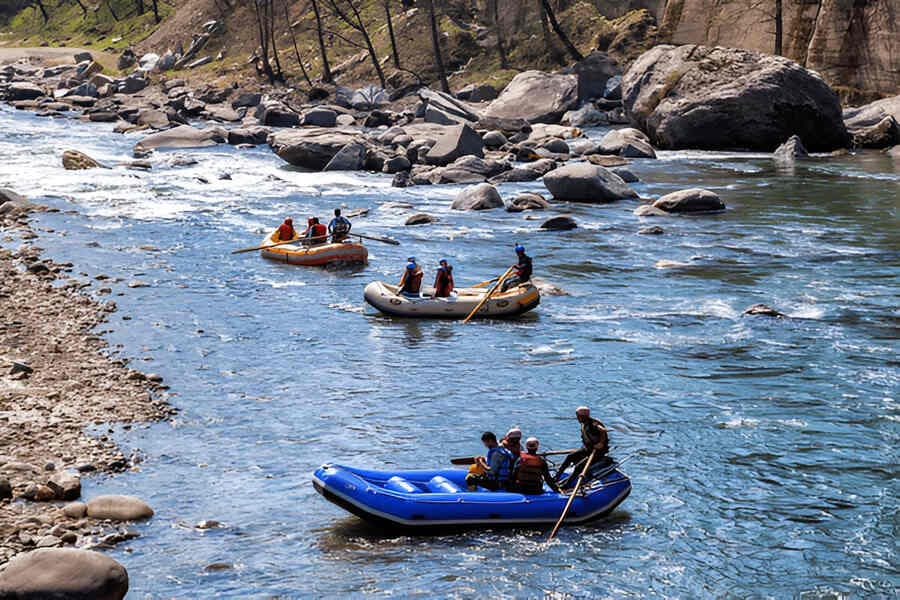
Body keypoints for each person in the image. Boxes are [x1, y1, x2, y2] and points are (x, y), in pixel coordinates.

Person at [555, 406, 610, 482]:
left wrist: (601, 443)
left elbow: (603, 430)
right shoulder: (584, 423)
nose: (577, 418)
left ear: (583, 416)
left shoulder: (593, 424)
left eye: (578, 416)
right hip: (587, 448)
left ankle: (567, 483)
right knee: (570, 457)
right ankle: (557, 476)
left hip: (597, 452)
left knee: (579, 467)